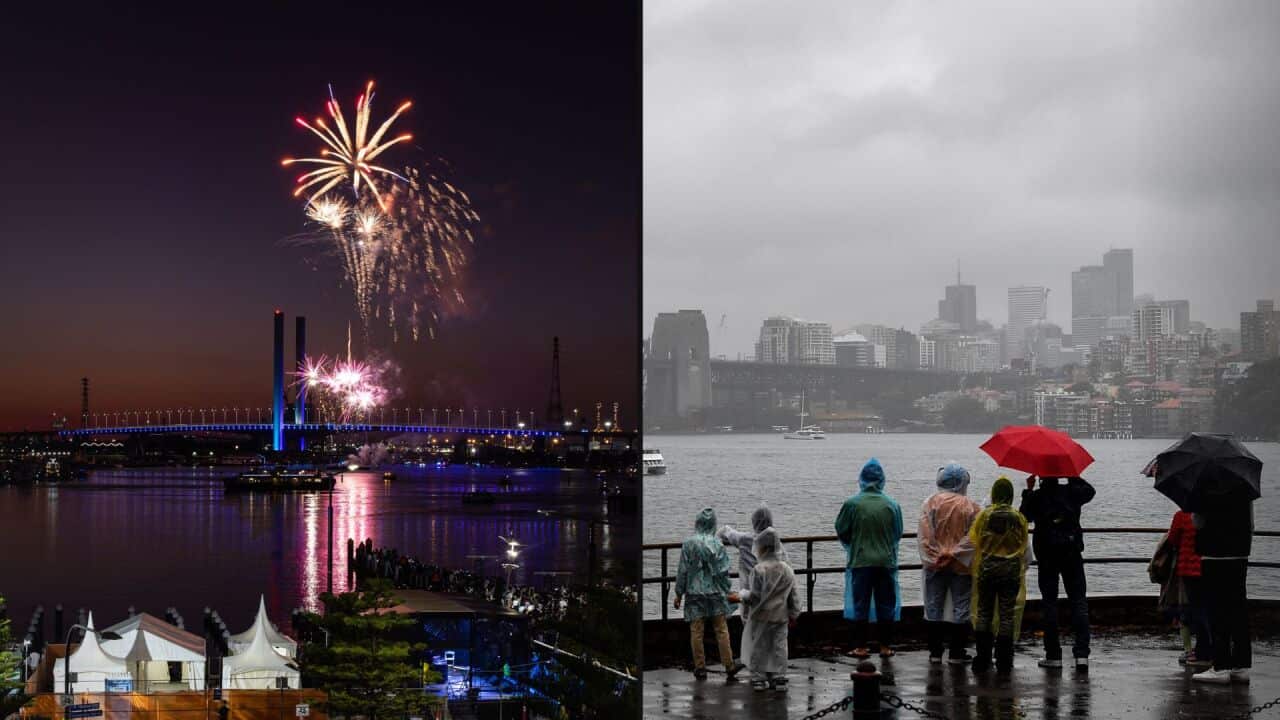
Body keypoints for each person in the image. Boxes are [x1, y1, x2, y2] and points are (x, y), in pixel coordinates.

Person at [1019, 474, 1095, 669]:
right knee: (1079, 601)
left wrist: (1028, 489)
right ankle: (1081, 655)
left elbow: (1024, 517)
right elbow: (1090, 492)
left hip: (1046, 555)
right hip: (1071, 552)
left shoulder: (1037, 497)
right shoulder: (1072, 492)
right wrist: (1074, 477)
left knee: (1049, 604)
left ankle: (1053, 655)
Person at [835, 458, 904, 658]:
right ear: (882, 479)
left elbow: (841, 529)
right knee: (886, 604)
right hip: (886, 561)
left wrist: (854, 542)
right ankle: (885, 646)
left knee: (860, 605)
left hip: (861, 561)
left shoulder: (852, 504)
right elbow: (897, 533)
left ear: (861, 479)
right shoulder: (892, 505)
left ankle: (861, 646)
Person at [918, 463, 982, 664]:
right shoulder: (971, 506)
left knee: (933, 605)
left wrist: (936, 557)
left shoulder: (930, 504)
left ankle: (935, 652)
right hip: (961, 566)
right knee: (962, 606)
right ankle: (957, 652)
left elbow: (924, 536)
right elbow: (974, 537)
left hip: (935, 564)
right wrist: (954, 554)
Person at [674, 507, 746, 682]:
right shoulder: (717, 544)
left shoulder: (688, 544)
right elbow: (722, 571)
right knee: (721, 629)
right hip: (714, 591)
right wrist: (727, 590)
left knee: (696, 631)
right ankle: (729, 665)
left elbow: (683, 570)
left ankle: (700, 667)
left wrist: (678, 593)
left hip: (694, 592)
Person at [718, 506, 785, 685]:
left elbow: (726, 533)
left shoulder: (746, 539)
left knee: (752, 633)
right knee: (774, 638)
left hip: (748, 595)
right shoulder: (776, 541)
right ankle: (773, 672)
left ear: (754, 522)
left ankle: (757, 672)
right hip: (773, 596)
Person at [969, 476, 1029, 673]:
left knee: (984, 612)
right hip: (1010, 571)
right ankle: (1004, 658)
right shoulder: (1018, 518)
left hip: (987, 570)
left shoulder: (985, 516)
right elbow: (1024, 549)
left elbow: (974, 540)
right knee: (1007, 614)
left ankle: (983, 656)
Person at [1191, 499, 1254, 684]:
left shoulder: (1204, 487)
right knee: (1239, 609)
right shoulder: (1244, 487)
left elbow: (1198, 522)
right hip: (1240, 554)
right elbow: (1251, 524)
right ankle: (1241, 666)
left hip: (1214, 554)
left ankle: (1221, 666)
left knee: (1217, 610)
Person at [735, 528, 801, 692]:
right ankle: (779, 677)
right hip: (781, 615)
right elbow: (793, 595)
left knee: (759, 647)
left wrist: (740, 596)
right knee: (779, 646)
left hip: (761, 616)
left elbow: (754, 597)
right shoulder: (786, 569)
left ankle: (759, 678)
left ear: (761, 547)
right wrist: (794, 613)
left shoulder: (758, 570)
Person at [1165, 510, 1211, 668]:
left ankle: (1201, 651)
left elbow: (1173, 539)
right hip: (1210, 567)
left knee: (1195, 609)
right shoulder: (1211, 513)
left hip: (1188, 569)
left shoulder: (1181, 515)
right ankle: (1210, 648)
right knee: (1208, 607)